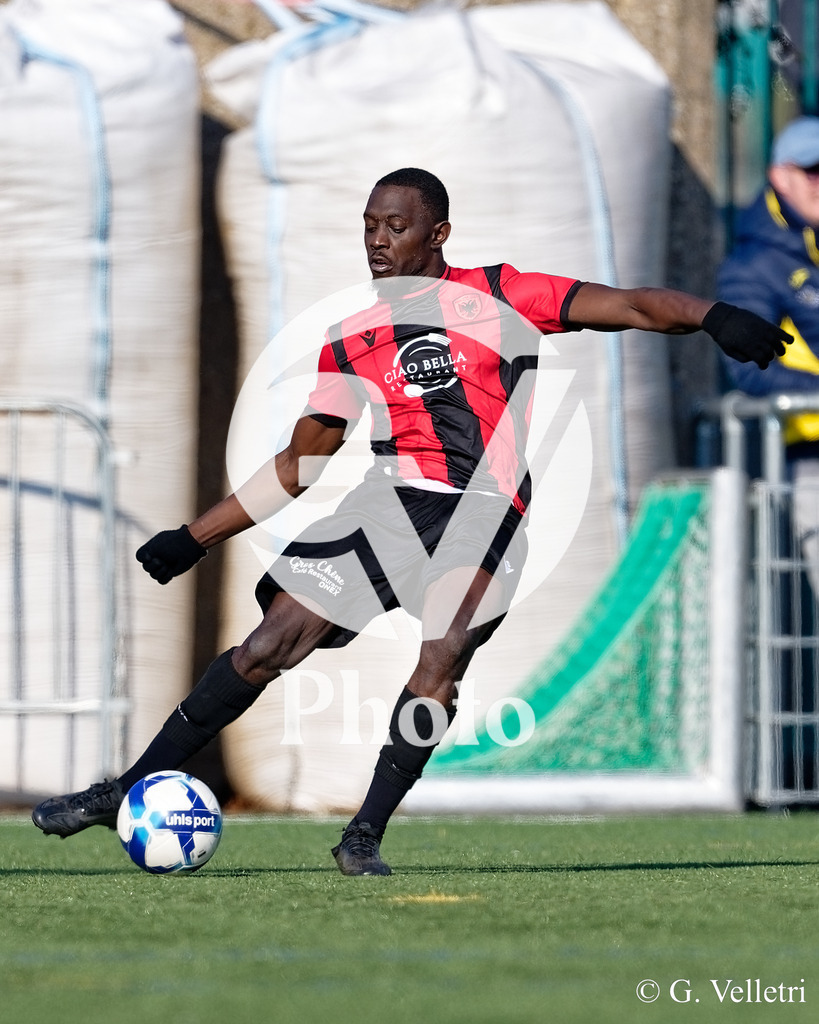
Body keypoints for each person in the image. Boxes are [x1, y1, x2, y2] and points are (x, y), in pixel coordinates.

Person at [32, 167, 789, 875]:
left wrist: (712, 315)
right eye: (369, 226)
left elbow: (624, 305)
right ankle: (122, 790)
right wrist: (193, 538)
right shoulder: (351, 339)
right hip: (388, 504)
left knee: (441, 657)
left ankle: (363, 834)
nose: (377, 240)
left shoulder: (499, 295)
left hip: (485, 513)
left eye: (395, 226)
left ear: (438, 234)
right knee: (268, 645)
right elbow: (302, 464)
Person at [718, 116, 819, 594]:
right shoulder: (753, 265)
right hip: (810, 459)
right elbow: (750, 369)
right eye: (813, 170)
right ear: (780, 176)